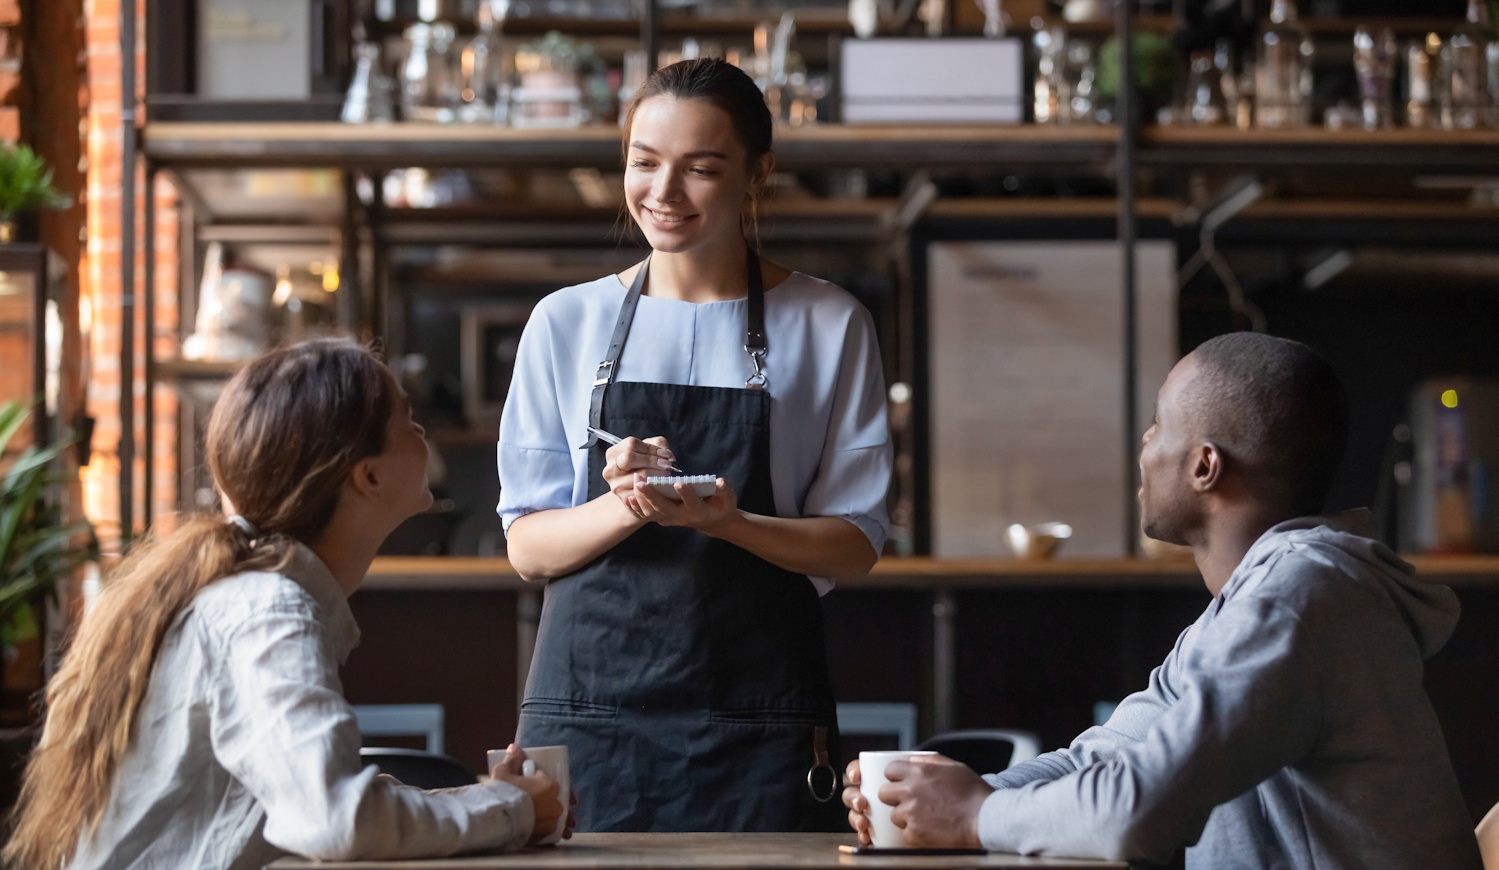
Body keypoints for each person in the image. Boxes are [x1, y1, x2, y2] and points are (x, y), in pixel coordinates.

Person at [842, 333, 1483, 869]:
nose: (1144, 445)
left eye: (1158, 425)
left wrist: (973, 815)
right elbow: (1106, 758)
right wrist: (930, 799)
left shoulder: (1301, 597)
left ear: (1205, 466)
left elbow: (1139, 808)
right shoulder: (1244, 609)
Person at [498, 58, 891, 833]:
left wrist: (729, 523)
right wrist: (626, 507)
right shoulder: (563, 322)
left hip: (760, 720)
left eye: (700, 169)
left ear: (757, 174)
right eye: (643, 164)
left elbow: (853, 545)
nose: (663, 193)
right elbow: (529, 548)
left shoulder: (828, 322)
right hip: (588, 719)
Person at [4, 338, 568, 870]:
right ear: (367, 476)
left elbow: (308, 795)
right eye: (408, 422)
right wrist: (509, 811)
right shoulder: (267, 612)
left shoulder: (249, 596)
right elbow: (336, 818)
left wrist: (493, 798)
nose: (423, 431)